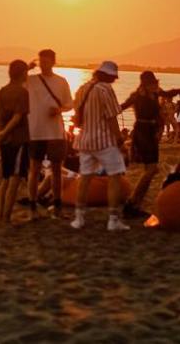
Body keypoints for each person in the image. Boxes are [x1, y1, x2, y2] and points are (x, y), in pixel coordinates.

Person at [119, 71, 180, 218]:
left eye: (155, 83)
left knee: (151, 169)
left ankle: (135, 204)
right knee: (152, 169)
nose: (155, 85)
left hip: (152, 133)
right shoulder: (137, 96)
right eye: (152, 84)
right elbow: (121, 107)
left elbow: (168, 93)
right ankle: (131, 203)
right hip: (142, 132)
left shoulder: (155, 93)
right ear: (145, 84)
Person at [70, 61, 128, 232]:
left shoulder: (82, 88)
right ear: (109, 76)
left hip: (85, 140)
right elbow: (111, 118)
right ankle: (113, 220)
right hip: (104, 142)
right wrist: (120, 141)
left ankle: (79, 218)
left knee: (85, 178)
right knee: (115, 177)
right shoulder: (105, 89)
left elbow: (77, 113)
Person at [25, 49, 74, 219]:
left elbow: (69, 104)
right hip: (36, 130)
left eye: (46, 61)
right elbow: (15, 82)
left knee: (56, 169)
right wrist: (27, 68)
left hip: (55, 131)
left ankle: (57, 206)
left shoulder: (61, 81)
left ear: (53, 62)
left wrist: (59, 110)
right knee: (34, 168)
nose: (43, 64)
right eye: (41, 61)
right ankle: (32, 206)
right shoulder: (30, 80)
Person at [0, 60, 31, 223]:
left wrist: (1, 133)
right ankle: (7, 217)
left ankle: (1, 214)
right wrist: (5, 133)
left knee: (5, 178)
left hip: (5, 141)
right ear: (23, 74)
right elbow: (17, 117)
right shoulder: (22, 93)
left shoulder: (2, 92)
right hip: (18, 140)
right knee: (15, 178)